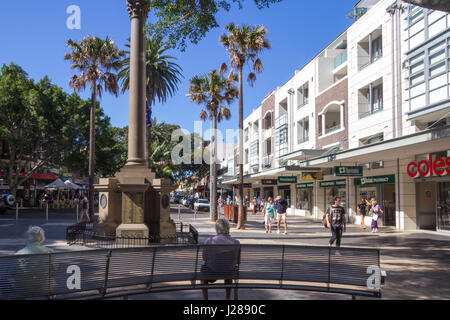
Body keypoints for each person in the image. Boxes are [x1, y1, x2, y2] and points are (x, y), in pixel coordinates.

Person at [201, 219, 240, 300]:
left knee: (203, 273)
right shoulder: (236, 242)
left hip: (212, 272)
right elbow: (237, 261)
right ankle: (227, 298)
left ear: (216, 229)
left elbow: (204, 258)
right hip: (229, 273)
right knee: (230, 269)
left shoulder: (209, 241)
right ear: (228, 228)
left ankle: (206, 299)